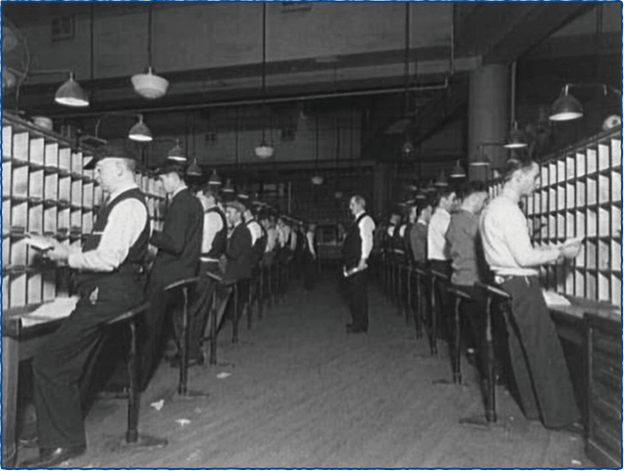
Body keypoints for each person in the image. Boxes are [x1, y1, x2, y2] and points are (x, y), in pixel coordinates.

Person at [22, 141, 150, 467]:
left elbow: (108, 259)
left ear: (119, 167)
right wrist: (64, 250)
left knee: (49, 362)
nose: (96, 175)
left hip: (107, 297)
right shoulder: (120, 202)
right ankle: (57, 429)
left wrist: (67, 257)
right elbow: (104, 250)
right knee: (67, 360)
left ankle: (62, 444)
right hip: (112, 293)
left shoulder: (126, 205)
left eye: (100, 168)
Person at [480, 156, 582, 432]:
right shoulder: (510, 211)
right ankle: (560, 417)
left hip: (504, 284)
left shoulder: (491, 208)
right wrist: (561, 253)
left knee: (520, 348)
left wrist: (551, 251)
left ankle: (534, 409)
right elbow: (524, 258)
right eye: (534, 177)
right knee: (543, 348)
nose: (536, 183)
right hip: (522, 285)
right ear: (518, 177)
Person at [138, 163, 203, 388]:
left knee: (147, 323)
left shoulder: (181, 203)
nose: (161, 184)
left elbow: (174, 244)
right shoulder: (193, 201)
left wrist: (147, 232)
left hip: (169, 273)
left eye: (163, 179)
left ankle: (138, 379)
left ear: (174, 177)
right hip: (185, 269)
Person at [177, 186, 227, 367]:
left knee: (194, 310)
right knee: (198, 309)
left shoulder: (210, 217)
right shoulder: (216, 215)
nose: (198, 203)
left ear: (210, 198)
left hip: (203, 266)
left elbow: (203, 246)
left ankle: (191, 353)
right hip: (209, 266)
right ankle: (189, 350)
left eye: (200, 199)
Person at [444, 181, 489, 373]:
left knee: (470, 322)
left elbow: (449, 243)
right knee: (486, 325)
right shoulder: (471, 221)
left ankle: (472, 350)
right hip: (474, 280)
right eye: (484, 200)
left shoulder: (453, 219)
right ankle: (488, 367)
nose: (484, 205)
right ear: (475, 197)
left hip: (458, 280)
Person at [342, 195, 376, 334]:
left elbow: (367, 240)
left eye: (352, 204)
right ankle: (358, 321)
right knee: (354, 294)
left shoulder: (366, 220)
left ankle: (360, 324)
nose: (350, 207)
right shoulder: (357, 221)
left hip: (358, 263)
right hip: (353, 263)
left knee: (359, 294)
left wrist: (363, 259)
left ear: (360, 204)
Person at [303, 223, 318, 290]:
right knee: (310, 269)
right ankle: (309, 285)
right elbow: (310, 244)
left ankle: (308, 284)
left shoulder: (308, 233)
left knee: (308, 269)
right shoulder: (310, 234)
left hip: (307, 253)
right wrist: (313, 254)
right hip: (309, 254)